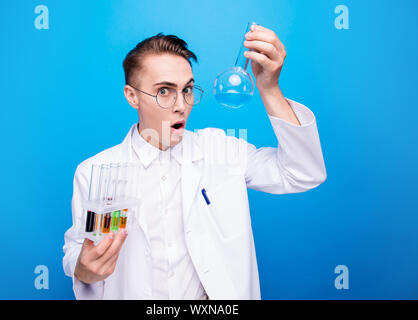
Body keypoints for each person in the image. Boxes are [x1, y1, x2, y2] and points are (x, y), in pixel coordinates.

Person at [62, 25, 326, 300]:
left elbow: (302, 172)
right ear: (132, 96)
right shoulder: (96, 171)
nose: (181, 104)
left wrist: (269, 88)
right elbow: (80, 250)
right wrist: (82, 269)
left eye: (187, 89)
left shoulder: (220, 150)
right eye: (164, 91)